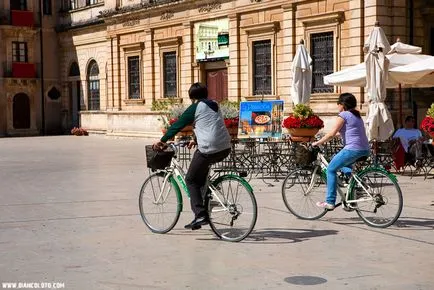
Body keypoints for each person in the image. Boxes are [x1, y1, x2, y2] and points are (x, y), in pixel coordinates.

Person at [153, 83, 231, 230]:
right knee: (199, 177)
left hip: (209, 148)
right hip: (225, 147)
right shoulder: (214, 104)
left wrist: (162, 141)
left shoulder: (196, 107)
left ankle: (200, 214)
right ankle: (204, 201)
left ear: (193, 97)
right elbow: (209, 124)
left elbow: (178, 125)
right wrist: (195, 139)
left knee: (190, 179)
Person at [312, 93, 370, 210]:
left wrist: (318, 142)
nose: (337, 105)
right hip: (365, 149)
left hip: (352, 149)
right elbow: (343, 132)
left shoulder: (343, 115)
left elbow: (332, 133)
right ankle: (356, 185)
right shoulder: (357, 116)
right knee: (338, 160)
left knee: (331, 169)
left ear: (342, 105)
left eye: (338, 103)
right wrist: (327, 137)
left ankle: (330, 202)